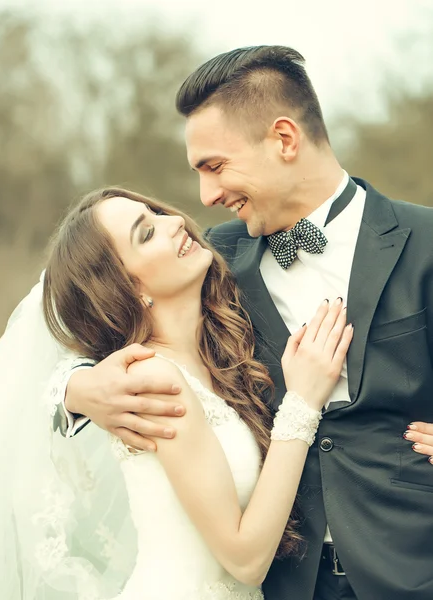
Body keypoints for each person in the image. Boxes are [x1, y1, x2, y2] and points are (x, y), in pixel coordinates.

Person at [56, 46, 433, 600]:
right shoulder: (211, 260)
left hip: (411, 571)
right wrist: (77, 389)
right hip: (283, 583)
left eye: (215, 166)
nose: (205, 196)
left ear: (284, 139)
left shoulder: (425, 241)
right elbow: (90, 323)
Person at [0, 186, 353, 599]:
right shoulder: (153, 382)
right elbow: (246, 559)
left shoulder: (212, 353)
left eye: (156, 214)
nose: (175, 222)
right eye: (146, 233)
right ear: (125, 288)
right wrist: (303, 401)